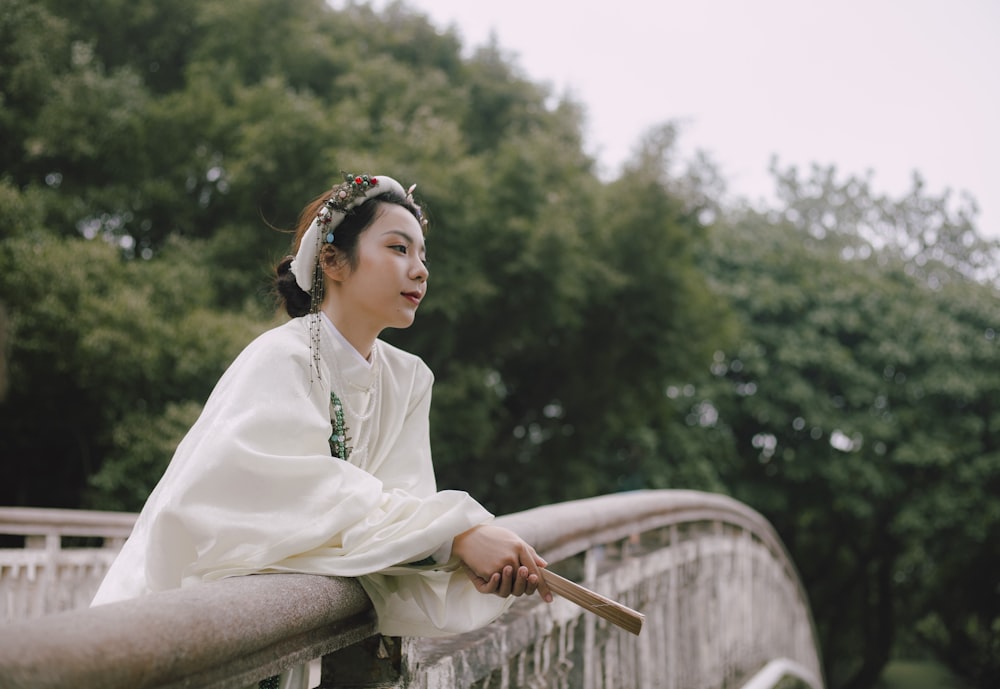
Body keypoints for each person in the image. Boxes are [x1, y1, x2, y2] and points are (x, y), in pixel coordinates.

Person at [91, 172, 552, 689]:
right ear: (332, 261)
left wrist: (456, 547)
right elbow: (292, 499)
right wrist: (458, 534)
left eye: (423, 255)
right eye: (399, 248)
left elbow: (398, 509)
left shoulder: (407, 379)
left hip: (268, 638)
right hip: (178, 632)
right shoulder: (279, 358)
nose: (420, 270)